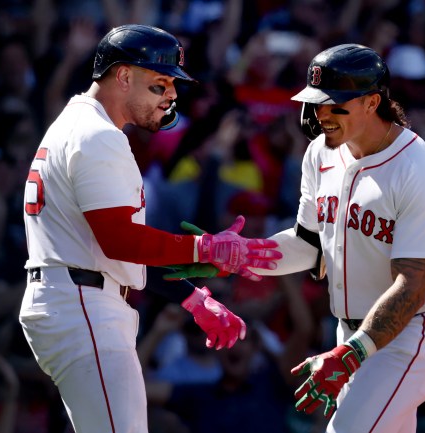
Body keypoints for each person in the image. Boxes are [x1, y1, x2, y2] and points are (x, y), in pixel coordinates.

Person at [181, 43, 425, 432]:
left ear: (371, 102)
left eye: (334, 104)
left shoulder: (421, 173)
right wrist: (244, 253)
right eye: (316, 103)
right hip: (353, 334)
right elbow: (308, 244)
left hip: (409, 337)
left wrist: (350, 354)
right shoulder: (319, 153)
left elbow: (412, 287)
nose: (321, 114)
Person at [18, 24, 282, 433]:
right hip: (83, 305)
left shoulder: (78, 124)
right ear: (123, 76)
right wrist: (207, 248)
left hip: (77, 297)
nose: (172, 94)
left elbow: (110, 246)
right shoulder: (98, 136)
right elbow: (120, 240)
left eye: (173, 85)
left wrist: (192, 297)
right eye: (159, 84)